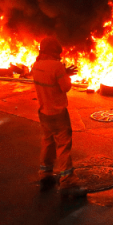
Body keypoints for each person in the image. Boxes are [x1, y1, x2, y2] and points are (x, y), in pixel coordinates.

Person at [32, 36, 87, 197]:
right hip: (58, 113)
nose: (59, 55)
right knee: (63, 146)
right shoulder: (57, 66)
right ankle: (68, 181)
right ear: (53, 51)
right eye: (58, 52)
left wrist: (63, 72)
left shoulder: (36, 65)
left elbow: (49, 78)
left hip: (43, 112)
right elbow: (66, 87)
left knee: (47, 142)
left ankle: (45, 175)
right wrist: (65, 73)